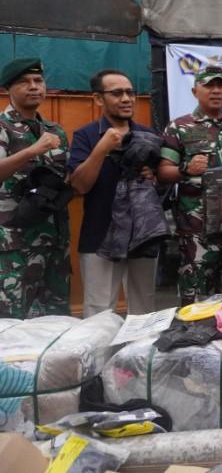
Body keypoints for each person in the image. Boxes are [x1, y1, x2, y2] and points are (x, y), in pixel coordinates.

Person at [158, 66, 222, 305]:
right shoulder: (178, 127)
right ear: (195, 91)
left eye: (220, 86)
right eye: (208, 86)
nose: (215, 91)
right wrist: (186, 169)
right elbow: (162, 172)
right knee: (196, 297)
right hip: (196, 231)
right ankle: (192, 339)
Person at [70, 69, 158, 316]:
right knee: (99, 311)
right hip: (100, 234)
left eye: (130, 92)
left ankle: (137, 357)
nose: (126, 99)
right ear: (98, 99)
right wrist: (101, 149)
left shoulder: (149, 136)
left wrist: (154, 179)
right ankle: (99, 357)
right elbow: (79, 186)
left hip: (143, 234)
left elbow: (163, 187)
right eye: (117, 93)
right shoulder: (85, 136)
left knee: (144, 310)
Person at [0, 58, 71, 318]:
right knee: (10, 321)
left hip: (54, 241)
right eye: (24, 82)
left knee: (55, 319)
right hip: (15, 246)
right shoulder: (2, 127)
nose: (33, 86)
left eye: (38, 81)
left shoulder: (55, 130)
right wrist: (32, 150)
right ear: (8, 88)